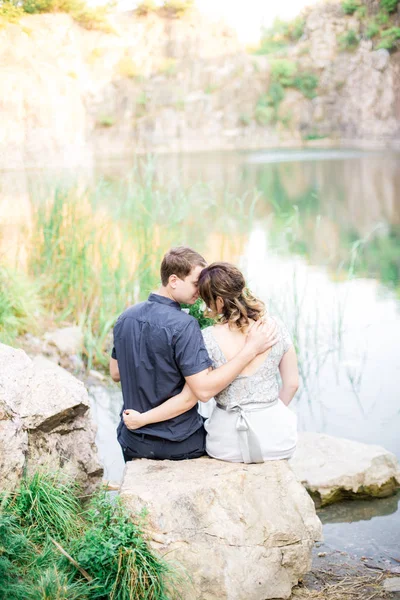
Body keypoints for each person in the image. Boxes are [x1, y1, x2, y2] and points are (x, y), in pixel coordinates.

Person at [110, 249, 279, 462]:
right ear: (173, 280)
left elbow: (115, 372)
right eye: (195, 283)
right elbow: (199, 393)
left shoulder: (125, 317)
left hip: (132, 441)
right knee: (228, 440)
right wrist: (250, 350)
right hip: (178, 444)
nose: (200, 291)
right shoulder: (184, 325)